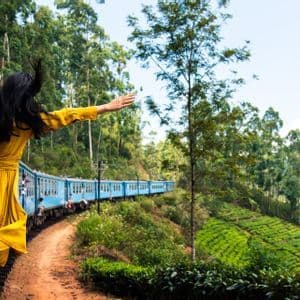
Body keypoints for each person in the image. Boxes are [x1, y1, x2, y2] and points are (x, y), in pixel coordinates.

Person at [0, 61, 135, 266]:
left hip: (7, 180)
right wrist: (104, 108)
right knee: (6, 228)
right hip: (6, 183)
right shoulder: (29, 123)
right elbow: (67, 115)